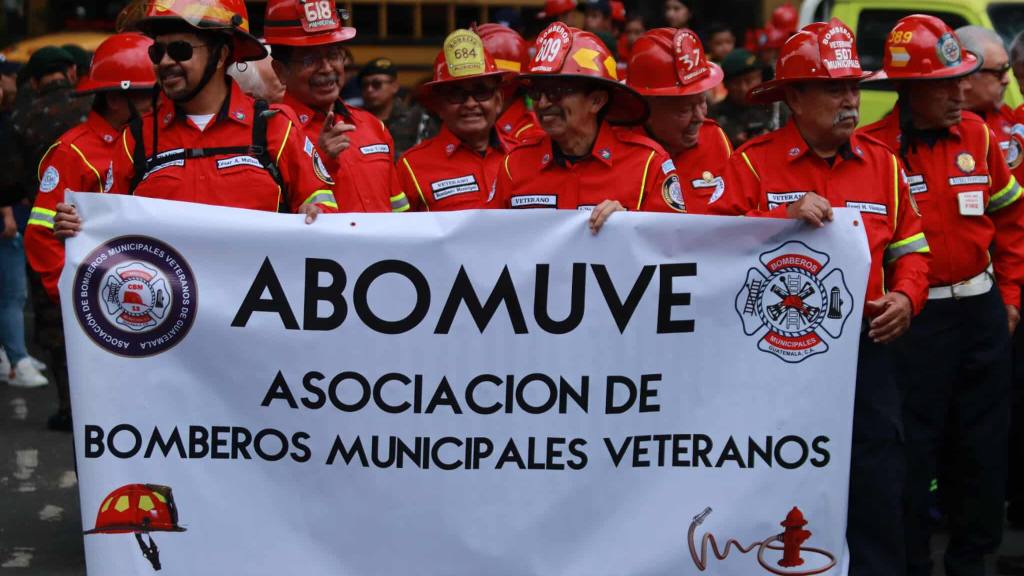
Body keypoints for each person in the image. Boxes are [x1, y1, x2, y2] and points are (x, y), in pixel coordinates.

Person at [710, 20, 930, 575]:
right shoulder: (752, 164)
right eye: (835, 88)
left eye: (853, 87)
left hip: (865, 352)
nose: (851, 99)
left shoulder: (884, 164)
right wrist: (775, 219)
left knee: (878, 480)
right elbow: (709, 250)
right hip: (773, 361)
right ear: (795, 98)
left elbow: (913, 250)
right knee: (779, 481)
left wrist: (906, 297)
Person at [859, 15, 1024, 576]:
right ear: (908, 89)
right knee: (911, 451)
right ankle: (908, 563)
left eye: (963, 80)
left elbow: (1011, 217)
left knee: (981, 450)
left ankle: (973, 560)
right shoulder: (871, 150)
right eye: (945, 83)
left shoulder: (979, 136)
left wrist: (1011, 295)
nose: (960, 93)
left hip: (982, 315)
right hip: (914, 323)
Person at [53, 0, 338, 236]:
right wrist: (80, 225)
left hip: (260, 302)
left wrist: (316, 213)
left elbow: (320, 203)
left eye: (180, 50)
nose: (165, 62)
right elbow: (111, 231)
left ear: (221, 54)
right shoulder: (135, 140)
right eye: (157, 52)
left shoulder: (275, 127)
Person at [24, 33, 157, 429]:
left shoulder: (151, 141)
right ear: (117, 98)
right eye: (149, 95)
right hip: (101, 314)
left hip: (146, 310)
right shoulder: (72, 151)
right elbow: (41, 235)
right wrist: (75, 300)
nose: (158, 103)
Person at [489, 23, 683, 232]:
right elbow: (487, 242)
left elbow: (673, 249)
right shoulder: (514, 166)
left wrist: (629, 226)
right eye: (537, 92)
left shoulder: (648, 165)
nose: (543, 103)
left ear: (596, 101)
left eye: (556, 92)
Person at [264, 0, 407, 213]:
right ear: (280, 71)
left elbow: (400, 213)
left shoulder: (373, 126)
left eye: (333, 55)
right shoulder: (271, 133)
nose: (327, 68)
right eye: (309, 59)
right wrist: (319, 160)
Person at [397, 29, 516, 212]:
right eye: (456, 94)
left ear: (498, 101)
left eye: (481, 92)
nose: (470, 103)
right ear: (439, 106)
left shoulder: (522, 157)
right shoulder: (411, 166)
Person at [626, 28, 731, 214]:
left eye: (702, 102)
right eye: (685, 109)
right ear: (645, 107)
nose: (700, 117)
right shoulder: (618, 149)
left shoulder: (715, 138)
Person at [10, 47, 92, 197]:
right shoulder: (94, 105)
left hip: (40, 207)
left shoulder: (20, 117)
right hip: (91, 204)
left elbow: (12, 177)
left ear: (34, 82)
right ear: (72, 72)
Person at [957, 26, 1024, 180]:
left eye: (1008, 70)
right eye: (998, 72)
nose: (1007, 80)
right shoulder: (933, 129)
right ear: (967, 73)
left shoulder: (1012, 118)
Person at [475, 23, 542, 142]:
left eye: (478, 85)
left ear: (504, 83)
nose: (468, 101)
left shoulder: (531, 137)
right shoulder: (479, 130)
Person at [359, 57, 435, 157]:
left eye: (376, 84)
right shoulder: (356, 120)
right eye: (364, 85)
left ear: (394, 86)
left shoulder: (417, 118)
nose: (369, 90)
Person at [711, 48, 783, 147]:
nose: (743, 88)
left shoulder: (777, 107)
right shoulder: (714, 115)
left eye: (749, 81)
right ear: (725, 84)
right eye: (736, 83)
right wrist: (732, 143)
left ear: (760, 77)